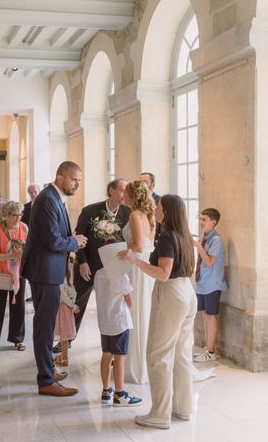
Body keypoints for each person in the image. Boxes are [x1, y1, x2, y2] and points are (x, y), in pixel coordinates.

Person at [119, 194, 197, 430]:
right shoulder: (185, 235)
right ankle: (183, 408)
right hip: (187, 293)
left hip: (171, 294)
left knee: (158, 355)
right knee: (182, 353)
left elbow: (163, 273)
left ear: (168, 211)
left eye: (160, 206)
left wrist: (135, 260)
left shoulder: (166, 237)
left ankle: (160, 415)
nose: (157, 209)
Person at [21, 161, 87, 397]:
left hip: (48, 270)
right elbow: (53, 241)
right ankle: (46, 380)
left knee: (46, 325)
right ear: (60, 178)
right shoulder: (48, 198)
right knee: (44, 326)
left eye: (79, 180)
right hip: (44, 270)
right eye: (73, 179)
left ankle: (47, 370)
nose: (77, 184)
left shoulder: (54, 196)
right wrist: (75, 242)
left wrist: (70, 240)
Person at [71, 178, 130, 336]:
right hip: (89, 265)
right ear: (111, 190)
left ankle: (112, 340)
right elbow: (79, 238)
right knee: (78, 301)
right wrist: (82, 262)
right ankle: (68, 338)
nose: (125, 195)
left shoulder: (128, 212)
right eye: (122, 190)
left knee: (111, 307)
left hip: (113, 268)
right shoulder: (90, 211)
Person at [122, 180, 156, 384]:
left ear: (133, 196)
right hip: (145, 267)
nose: (123, 196)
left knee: (134, 312)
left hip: (137, 266)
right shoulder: (149, 215)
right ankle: (142, 363)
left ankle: (135, 368)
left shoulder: (135, 214)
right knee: (142, 311)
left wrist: (114, 242)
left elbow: (139, 246)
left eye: (126, 193)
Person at [0, 201, 28, 351]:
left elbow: (27, 250)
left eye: (20, 214)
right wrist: (11, 255)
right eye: (14, 215)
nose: (18, 218)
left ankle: (17, 339)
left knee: (19, 306)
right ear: (6, 215)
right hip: (0, 273)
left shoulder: (24, 227)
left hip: (18, 274)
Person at [94, 271, 142, 407]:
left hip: (104, 322)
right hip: (119, 322)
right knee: (120, 358)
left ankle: (106, 391)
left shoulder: (99, 274)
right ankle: (120, 395)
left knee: (106, 355)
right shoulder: (121, 275)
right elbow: (130, 302)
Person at [193, 208, 227, 363]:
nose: (201, 222)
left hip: (212, 284)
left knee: (211, 316)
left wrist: (198, 246)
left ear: (213, 222)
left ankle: (211, 351)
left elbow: (209, 261)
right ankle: (208, 349)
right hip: (203, 283)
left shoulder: (216, 240)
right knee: (205, 315)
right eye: (200, 219)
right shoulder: (204, 238)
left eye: (204, 219)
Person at [53, 273, 78, 366]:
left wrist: (73, 306)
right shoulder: (68, 276)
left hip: (61, 308)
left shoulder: (59, 276)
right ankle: (64, 355)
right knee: (65, 336)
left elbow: (62, 296)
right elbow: (73, 292)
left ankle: (64, 358)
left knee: (63, 335)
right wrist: (72, 304)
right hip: (67, 308)